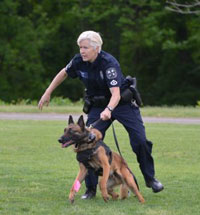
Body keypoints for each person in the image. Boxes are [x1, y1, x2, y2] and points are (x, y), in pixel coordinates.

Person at [38, 30, 164, 199]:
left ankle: (150, 179)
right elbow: (64, 72)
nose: (82, 51)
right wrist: (48, 92)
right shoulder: (78, 61)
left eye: (85, 47)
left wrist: (109, 110)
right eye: (80, 47)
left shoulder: (109, 64)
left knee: (140, 140)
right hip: (97, 104)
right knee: (86, 142)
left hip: (121, 104)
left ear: (96, 48)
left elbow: (116, 95)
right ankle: (90, 190)